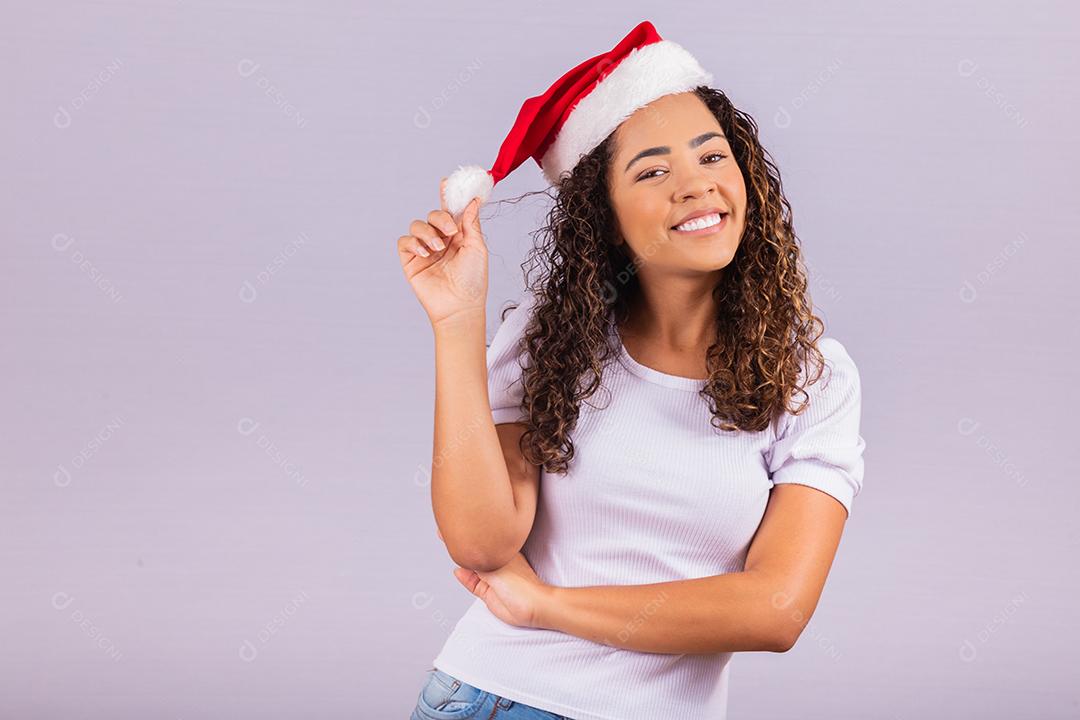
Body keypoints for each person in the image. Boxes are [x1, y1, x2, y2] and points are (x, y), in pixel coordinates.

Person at [396, 20, 866, 720]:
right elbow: (481, 540)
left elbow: (776, 609)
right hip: (494, 698)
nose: (695, 186)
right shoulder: (552, 341)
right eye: (652, 171)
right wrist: (457, 322)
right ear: (606, 217)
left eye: (712, 156)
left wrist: (548, 606)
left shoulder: (812, 379)